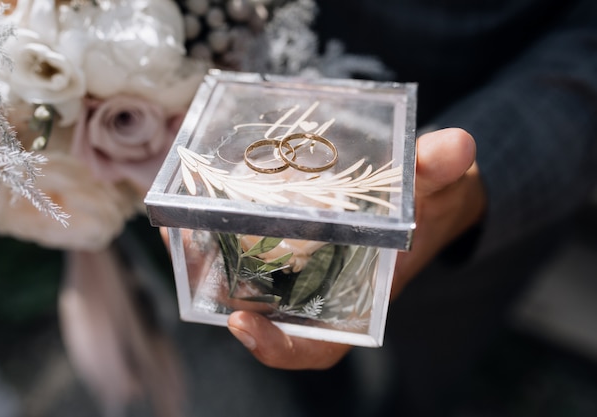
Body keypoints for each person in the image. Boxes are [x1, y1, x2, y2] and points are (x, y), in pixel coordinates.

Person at [166, 1, 597, 416]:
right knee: (289, 347)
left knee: (431, 355)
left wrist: (460, 198)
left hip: (469, 109)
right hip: (242, 110)